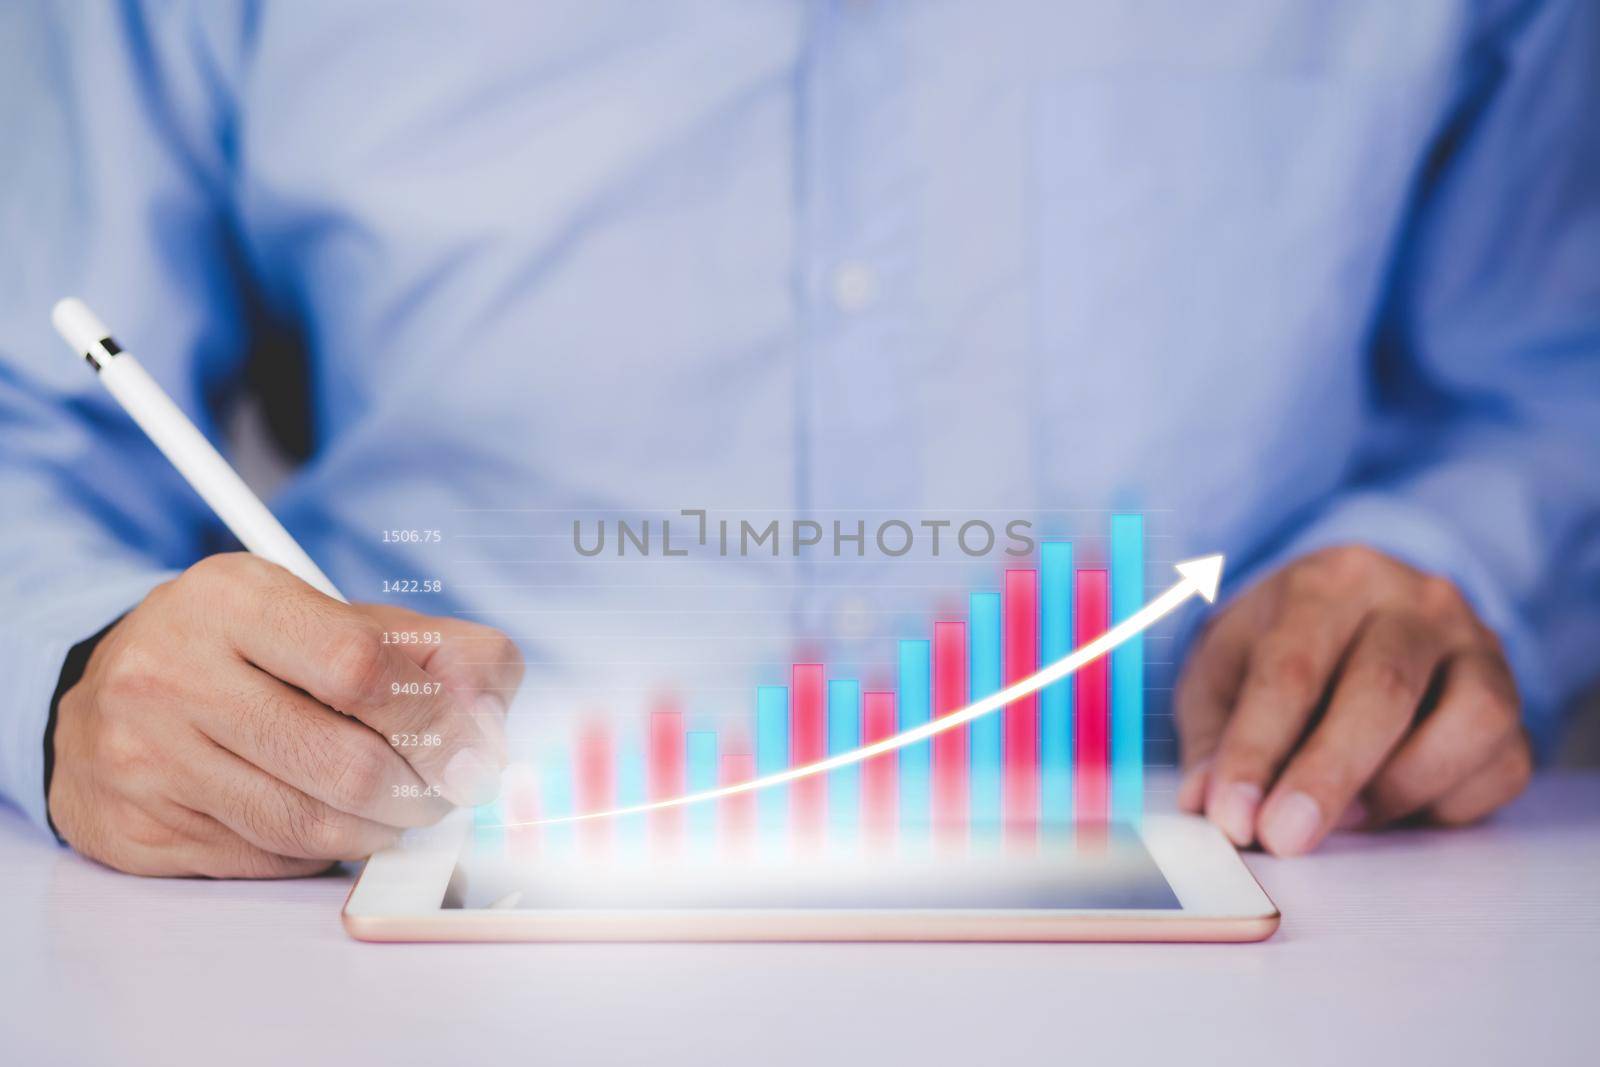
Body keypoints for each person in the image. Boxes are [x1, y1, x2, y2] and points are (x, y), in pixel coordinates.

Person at [0, 1, 1595, 878]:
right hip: (395, 874)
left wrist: (1451, 569)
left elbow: (1553, 377)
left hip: (1282, 873)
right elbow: (30, 416)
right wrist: (81, 667)